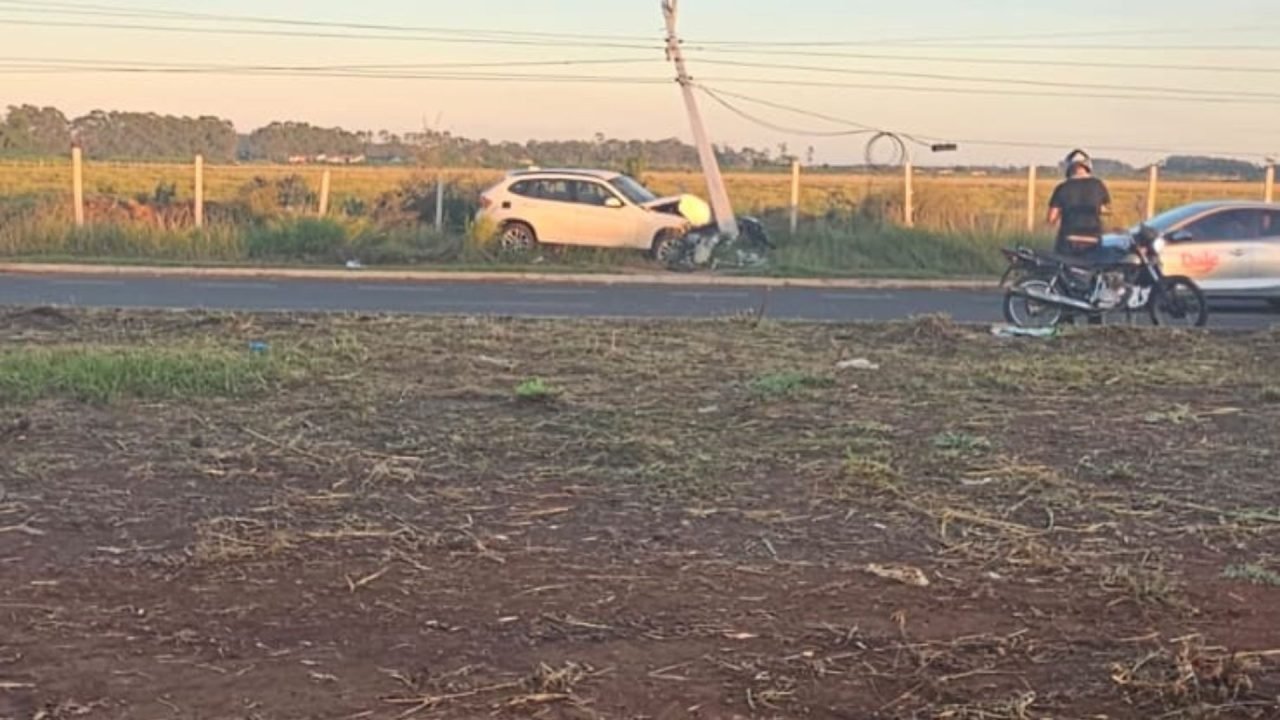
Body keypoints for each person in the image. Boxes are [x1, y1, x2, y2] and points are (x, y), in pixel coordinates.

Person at [1047, 149, 1112, 257]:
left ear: (1069, 167)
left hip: (1068, 239)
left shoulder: (1062, 188)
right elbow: (1104, 209)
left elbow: (1051, 219)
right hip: (1094, 238)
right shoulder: (1099, 185)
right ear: (1088, 166)